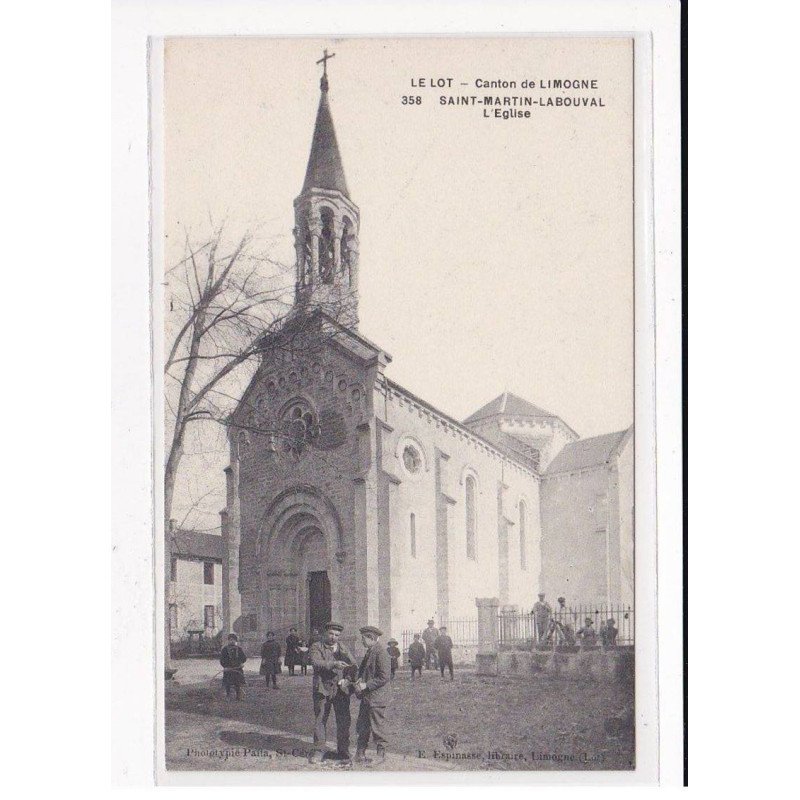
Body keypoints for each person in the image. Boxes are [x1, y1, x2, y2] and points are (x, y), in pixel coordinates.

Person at [308, 622, 357, 764]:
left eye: (336, 635)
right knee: (320, 719)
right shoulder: (316, 646)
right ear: (325, 633)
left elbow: (353, 666)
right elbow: (316, 663)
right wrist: (334, 664)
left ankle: (343, 749)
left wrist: (347, 679)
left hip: (340, 690)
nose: (333, 637)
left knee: (343, 720)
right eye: (331, 634)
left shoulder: (343, 647)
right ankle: (318, 750)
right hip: (322, 689)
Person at [354, 625, 392, 765]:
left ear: (371, 638)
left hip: (377, 697)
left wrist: (366, 685)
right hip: (368, 697)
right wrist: (360, 681)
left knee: (377, 727)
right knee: (363, 725)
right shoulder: (370, 651)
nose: (361, 641)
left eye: (363, 638)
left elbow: (384, 677)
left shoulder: (381, 652)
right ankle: (360, 753)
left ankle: (381, 755)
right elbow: (366, 672)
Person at [220, 633, 247, 700]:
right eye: (230, 640)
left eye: (234, 640)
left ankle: (238, 696)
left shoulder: (239, 649)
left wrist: (241, 663)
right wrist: (225, 667)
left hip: (237, 669)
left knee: (237, 682)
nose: (232, 641)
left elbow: (244, 658)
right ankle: (228, 696)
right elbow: (222, 659)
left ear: (236, 641)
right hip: (228, 669)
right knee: (228, 683)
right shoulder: (224, 649)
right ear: (228, 641)